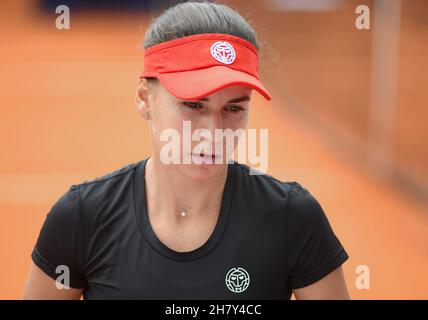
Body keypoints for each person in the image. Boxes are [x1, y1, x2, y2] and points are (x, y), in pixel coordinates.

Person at [24, 1, 349, 300]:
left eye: (234, 109)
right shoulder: (80, 219)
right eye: (193, 104)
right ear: (143, 98)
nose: (213, 132)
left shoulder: (293, 220)